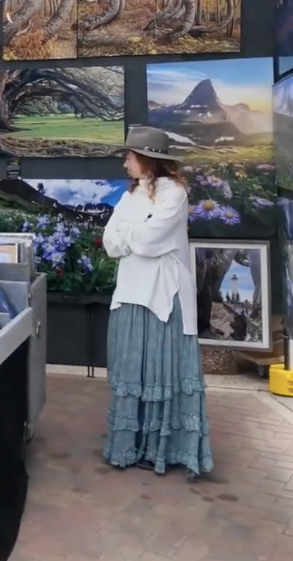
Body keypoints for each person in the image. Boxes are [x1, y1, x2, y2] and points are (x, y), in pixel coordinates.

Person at [100, 126, 213, 481]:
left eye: (130, 156)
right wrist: (131, 236)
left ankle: (160, 448)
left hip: (162, 293)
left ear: (147, 159)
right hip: (132, 289)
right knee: (135, 369)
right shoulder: (131, 195)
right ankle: (132, 445)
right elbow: (109, 240)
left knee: (161, 371)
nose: (125, 163)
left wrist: (129, 235)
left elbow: (150, 239)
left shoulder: (175, 193)